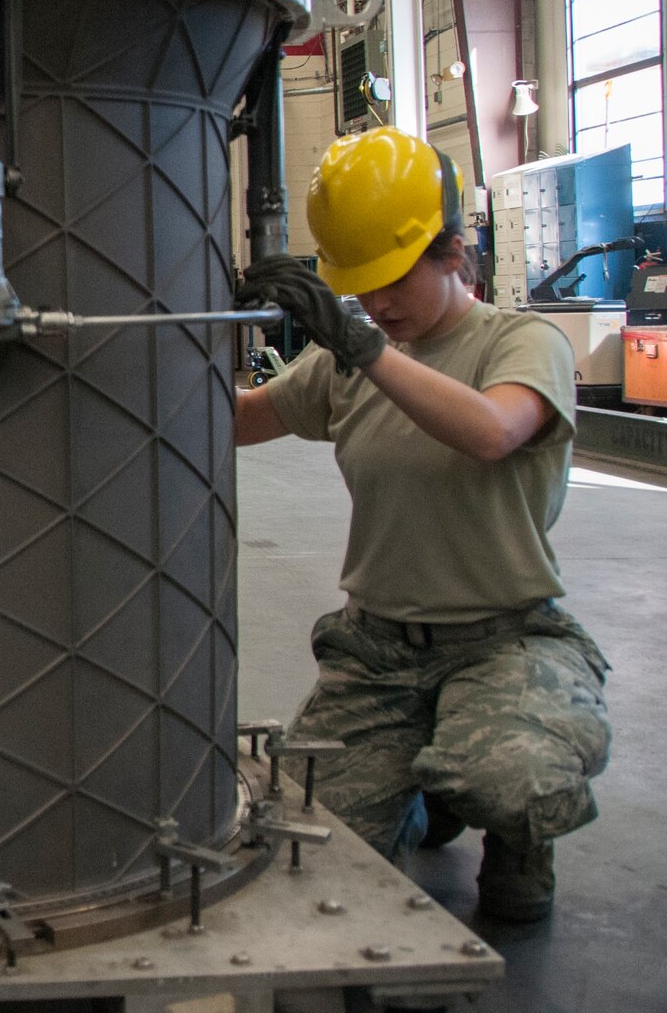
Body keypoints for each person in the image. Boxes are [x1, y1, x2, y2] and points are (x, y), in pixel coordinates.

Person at [235, 127, 611, 924]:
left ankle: (510, 834)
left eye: (393, 279)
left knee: (510, 785)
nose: (375, 304)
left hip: (505, 640)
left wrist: (362, 347)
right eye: (359, 287)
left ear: (452, 251)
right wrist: (184, 331)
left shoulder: (520, 343)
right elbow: (240, 421)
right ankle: (426, 784)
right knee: (307, 836)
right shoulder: (353, 361)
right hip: (376, 652)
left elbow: (490, 432)